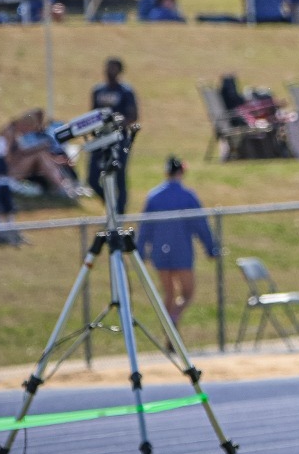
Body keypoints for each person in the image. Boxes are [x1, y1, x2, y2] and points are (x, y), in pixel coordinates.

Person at [140, 157, 218, 325]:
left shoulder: (154, 196)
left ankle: (168, 332)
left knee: (169, 293)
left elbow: (144, 227)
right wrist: (211, 247)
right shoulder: (187, 196)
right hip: (182, 252)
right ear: (182, 172)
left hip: (160, 252)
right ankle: (174, 318)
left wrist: (140, 250)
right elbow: (201, 225)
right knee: (188, 293)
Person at [88, 58, 141, 210]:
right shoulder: (98, 90)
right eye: (107, 68)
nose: (109, 71)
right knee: (92, 178)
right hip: (100, 139)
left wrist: (115, 123)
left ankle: (120, 210)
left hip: (119, 138)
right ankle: (110, 202)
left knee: (119, 175)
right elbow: (93, 114)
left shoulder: (126, 92)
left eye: (113, 68)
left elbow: (133, 116)